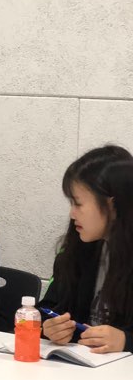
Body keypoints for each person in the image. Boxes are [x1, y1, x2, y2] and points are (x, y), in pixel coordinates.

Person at [41, 146, 133, 353]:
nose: (72, 214)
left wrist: (126, 341)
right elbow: (49, 306)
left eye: (78, 204)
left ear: (112, 205)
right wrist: (49, 327)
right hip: (79, 364)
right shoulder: (78, 248)